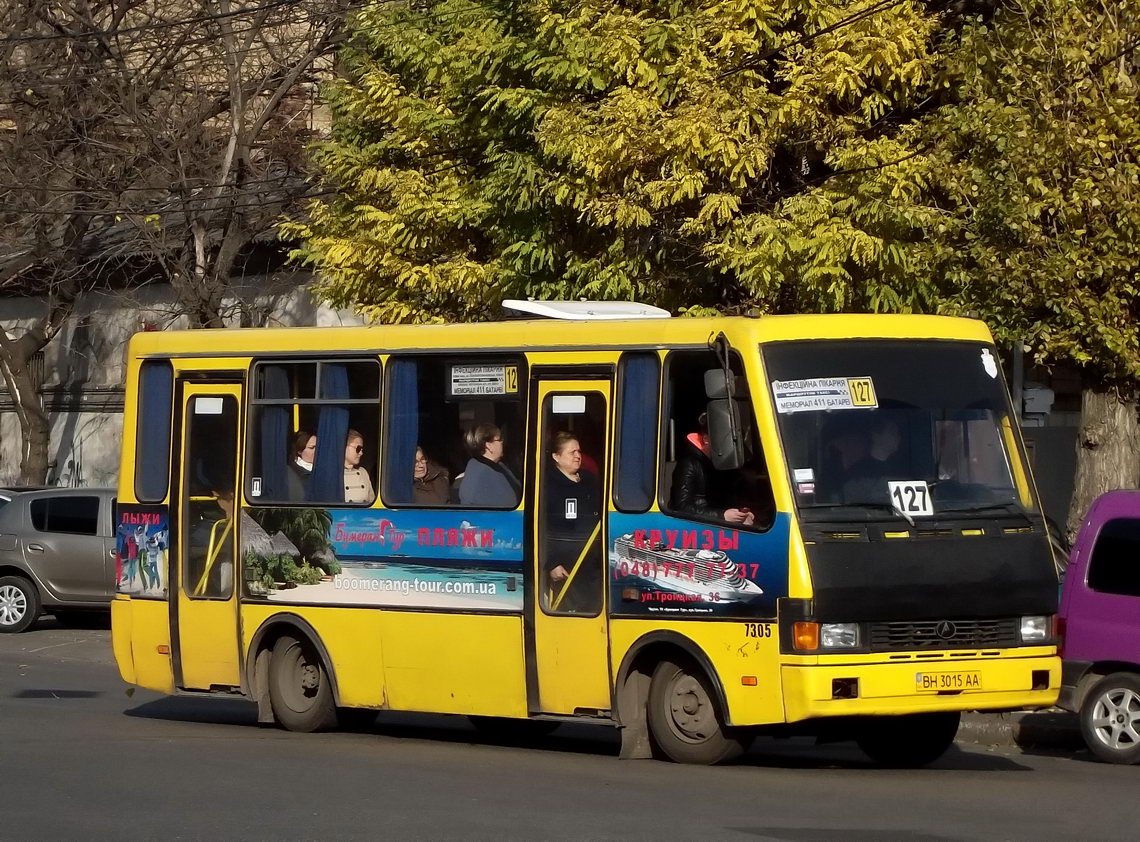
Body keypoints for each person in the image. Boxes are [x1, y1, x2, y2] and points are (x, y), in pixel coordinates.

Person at [543, 432, 601, 611]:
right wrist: (551, 563)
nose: (578, 456)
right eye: (572, 452)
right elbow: (542, 527)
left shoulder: (590, 480)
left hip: (593, 564)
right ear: (556, 456)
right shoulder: (547, 485)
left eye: (579, 451)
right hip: (566, 568)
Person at [670, 414, 755, 525]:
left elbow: (723, 500)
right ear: (706, 439)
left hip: (715, 525)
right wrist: (721, 515)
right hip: (695, 528)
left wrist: (740, 514)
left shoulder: (720, 463)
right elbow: (681, 507)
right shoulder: (689, 463)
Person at [458, 423, 520, 507]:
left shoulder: (497, 466)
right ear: (489, 446)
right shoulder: (481, 473)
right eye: (499, 439)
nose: (502, 442)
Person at [343, 429, 375, 504]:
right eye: (358, 449)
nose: (361, 453)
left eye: (362, 449)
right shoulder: (333, 475)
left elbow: (372, 501)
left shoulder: (363, 472)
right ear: (344, 447)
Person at [287, 430, 316, 500]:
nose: (317, 450)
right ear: (300, 451)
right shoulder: (291, 473)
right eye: (312, 448)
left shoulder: (326, 469)